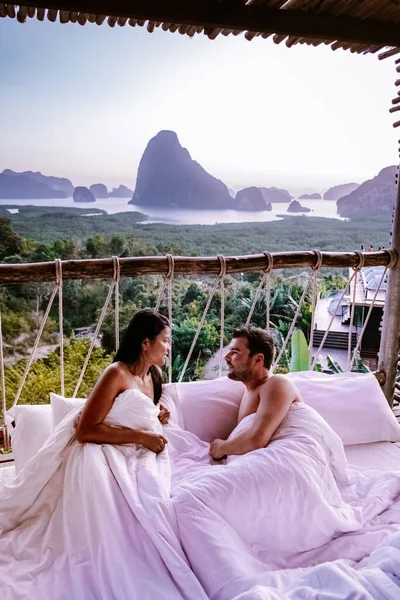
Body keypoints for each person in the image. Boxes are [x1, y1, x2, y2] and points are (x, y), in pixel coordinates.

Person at [76, 309, 171, 452]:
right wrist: (141, 437)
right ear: (145, 343)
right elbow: (84, 431)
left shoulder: (155, 375)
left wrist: (158, 415)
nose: (168, 348)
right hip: (108, 450)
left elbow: (135, 415)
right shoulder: (116, 373)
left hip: (139, 450)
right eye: (165, 341)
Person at [210, 325, 301, 459]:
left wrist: (220, 447)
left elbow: (257, 439)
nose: (226, 357)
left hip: (286, 457)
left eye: (235, 352)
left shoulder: (277, 384)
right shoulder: (250, 391)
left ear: (258, 359)